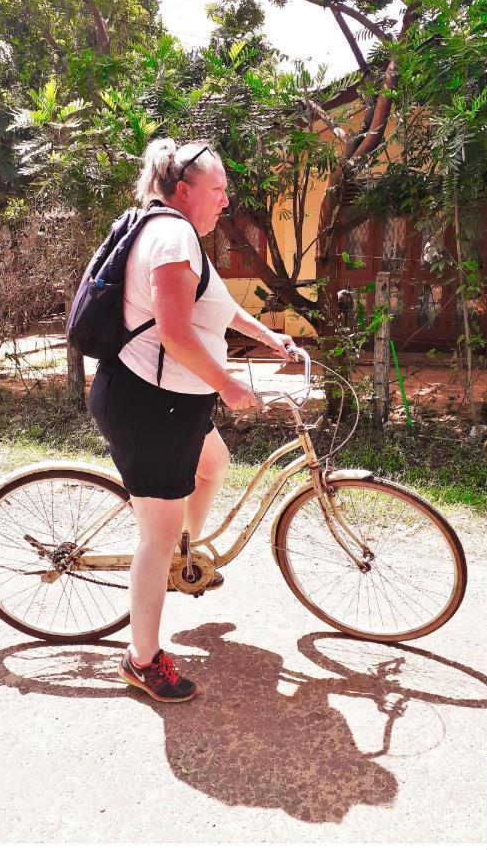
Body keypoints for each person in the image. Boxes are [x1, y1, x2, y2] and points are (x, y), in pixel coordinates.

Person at [88, 139, 298, 703]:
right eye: (218, 190)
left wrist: (268, 335)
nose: (226, 202)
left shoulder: (179, 235)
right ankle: (142, 659)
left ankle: (185, 556)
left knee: (214, 461)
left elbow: (219, 309)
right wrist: (228, 384)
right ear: (183, 191)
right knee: (154, 540)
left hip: (174, 401)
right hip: (149, 405)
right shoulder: (172, 234)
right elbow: (176, 331)